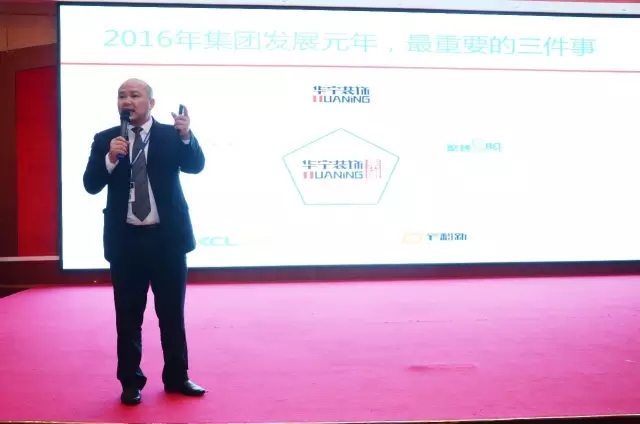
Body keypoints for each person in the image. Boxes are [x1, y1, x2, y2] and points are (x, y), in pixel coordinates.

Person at [82, 78, 206, 405]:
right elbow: (91, 184)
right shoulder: (107, 139)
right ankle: (130, 382)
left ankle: (177, 377)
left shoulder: (171, 135)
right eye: (122, 95)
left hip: (168, 241)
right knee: (128, 317)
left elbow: (195, 166)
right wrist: (110, 159)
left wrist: (187, 136)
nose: (127, 101)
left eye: (135, 95)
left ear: (150, 103)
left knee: (171, 314)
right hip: (126, 243)